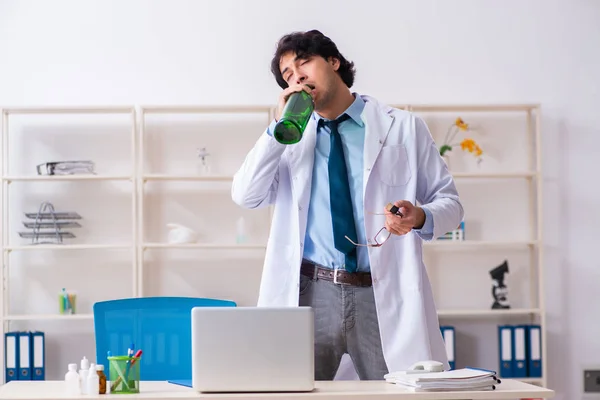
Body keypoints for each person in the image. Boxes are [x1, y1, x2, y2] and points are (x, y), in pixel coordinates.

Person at [231, 29, 464, 381]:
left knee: (398, 390)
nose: (298, 78)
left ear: (334, 61)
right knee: (291, 388)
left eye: (303, 63)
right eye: (288, 76)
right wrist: (279, 128)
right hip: (310, 293)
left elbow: (451, 205)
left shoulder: (402, 127)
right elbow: (246, 195)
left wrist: (420, 217)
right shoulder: (289, 138)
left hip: (381, 290)